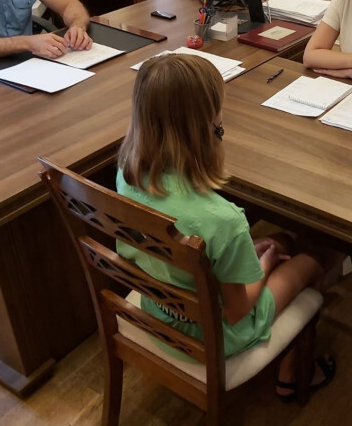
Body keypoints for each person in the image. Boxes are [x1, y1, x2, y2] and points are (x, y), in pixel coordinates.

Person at [116, 53, 335, 399]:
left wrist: (246, 255)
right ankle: (292, 374)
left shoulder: (126, 176)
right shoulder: (223, 219)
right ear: (208, 125)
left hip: (158, 308)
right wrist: (264, 265)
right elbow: (236, 310)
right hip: (215, 335)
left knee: (278, 239)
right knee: (313, 258)